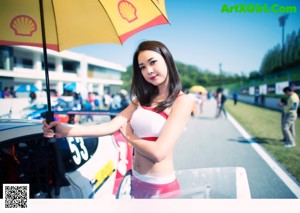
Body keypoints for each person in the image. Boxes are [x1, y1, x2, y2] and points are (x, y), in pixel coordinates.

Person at [42, 40, 194, 198]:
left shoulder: (182, 101)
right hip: (136, 180)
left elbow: (159, 152)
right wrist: (65, 131)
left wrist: (129, 136)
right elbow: (109, 126)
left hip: (160, 187)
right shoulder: (141, 101)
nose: (149, 70)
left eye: (153, 62)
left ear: (167, 59)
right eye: (142, 67)